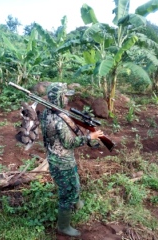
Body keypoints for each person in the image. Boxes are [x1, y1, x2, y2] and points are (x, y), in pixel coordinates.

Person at [40, 82, 104, 237]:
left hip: (58, 158)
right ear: (58, 98)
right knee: (66, 193)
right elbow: (70, 143)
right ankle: (63, 226)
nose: (67, 100)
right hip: (62, 163)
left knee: (74, 181)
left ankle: (76, 201)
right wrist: (90, 136)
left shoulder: (47, 113)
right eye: (65, 96)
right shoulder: (59, 121)